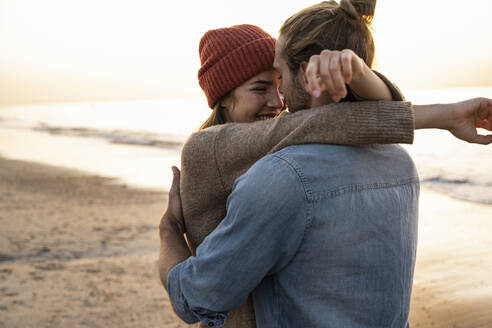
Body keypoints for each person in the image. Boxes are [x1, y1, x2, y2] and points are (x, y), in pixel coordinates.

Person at [159, 1, 492, 327]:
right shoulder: (399, 164)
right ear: (222, 96)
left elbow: (325, 123)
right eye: (260, 88)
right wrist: (441, 113)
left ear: (303, 74)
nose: (279, 101)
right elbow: (326, 122)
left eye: (278, 81)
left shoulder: (282, 173)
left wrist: (169, 230)